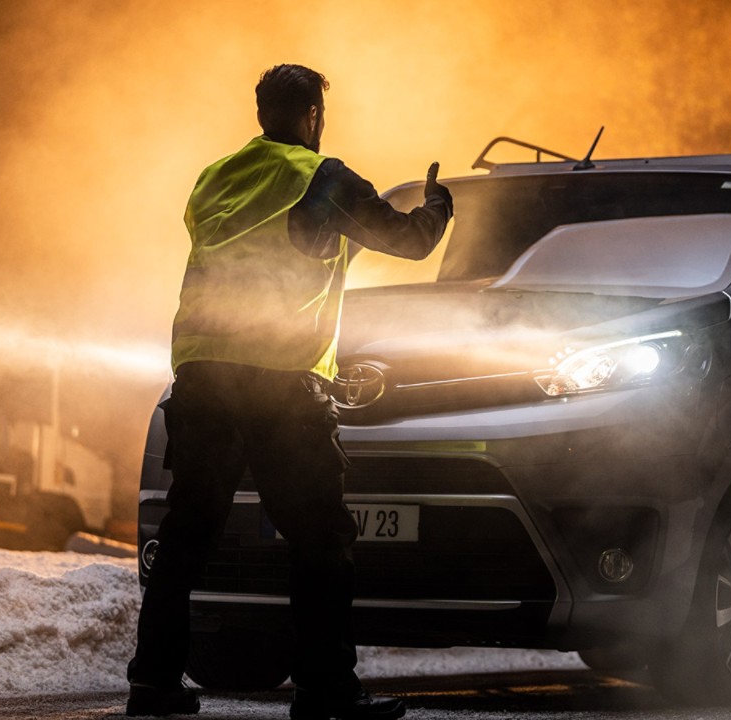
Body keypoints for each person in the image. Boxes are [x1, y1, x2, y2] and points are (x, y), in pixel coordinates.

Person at [126, 63, 452, 719]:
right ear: (312, 117)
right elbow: (410, 242)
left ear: (260, 115)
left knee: (188, 532)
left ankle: (153, 683)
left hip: (203, 376)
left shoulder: (214, 178)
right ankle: (326, 690)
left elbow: (257, 248)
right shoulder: (323, 176)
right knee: (320, 537)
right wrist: (439, 206)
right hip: (280, 382)